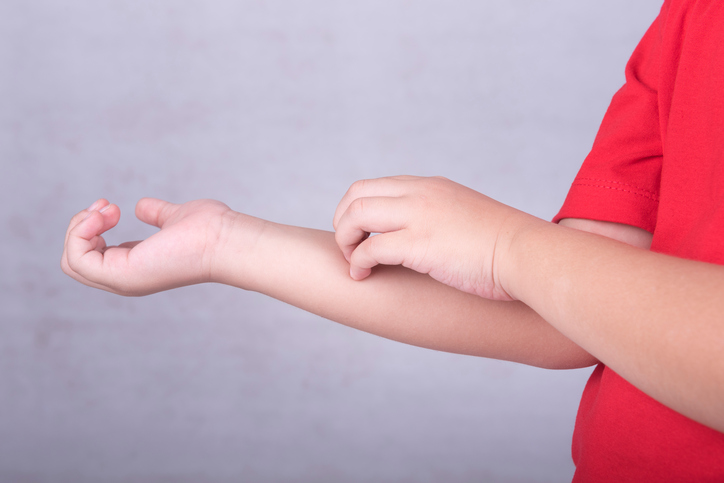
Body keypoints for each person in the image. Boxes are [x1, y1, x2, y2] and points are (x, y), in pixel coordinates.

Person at [61, 0, 724, 480]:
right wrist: (229, 243)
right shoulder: (690, 17)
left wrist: (505, 245)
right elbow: (570, 313)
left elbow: (534, 267)